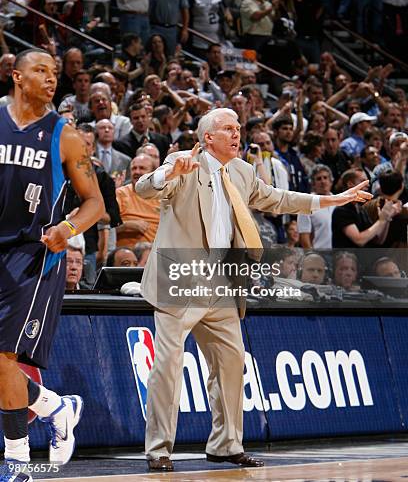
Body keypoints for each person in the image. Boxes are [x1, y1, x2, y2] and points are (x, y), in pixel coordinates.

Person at [135, 107, 372, 472]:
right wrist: (169, 170)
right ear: (208, 137)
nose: (237, 133)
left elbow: (278, 198)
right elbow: (144, 189)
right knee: (168, 366)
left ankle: (225, 445)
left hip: (222, 282)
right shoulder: (184, 162)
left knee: (232, 363)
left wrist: (332, 200)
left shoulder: (243, 172)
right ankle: (159, 449)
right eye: (228, 128)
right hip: (179, 280)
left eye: (238, 127)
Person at [0, 49, 104, 481]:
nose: (50, 78)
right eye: (40, 70)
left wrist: (67, 226)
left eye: (55, 72)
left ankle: (18, 460)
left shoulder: (66, 136)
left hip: (35, 253)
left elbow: (95, 203)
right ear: (16, 75)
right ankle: (55, 407)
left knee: (3, 356)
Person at [116, 154, 160, 248]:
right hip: (126, 254)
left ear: (153, 173)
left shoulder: (163, 197)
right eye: (134, 168)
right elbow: (106, 227)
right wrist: (127, 225)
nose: (137, 172)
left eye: (142, 168)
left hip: (155, 253)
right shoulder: (120, 194)